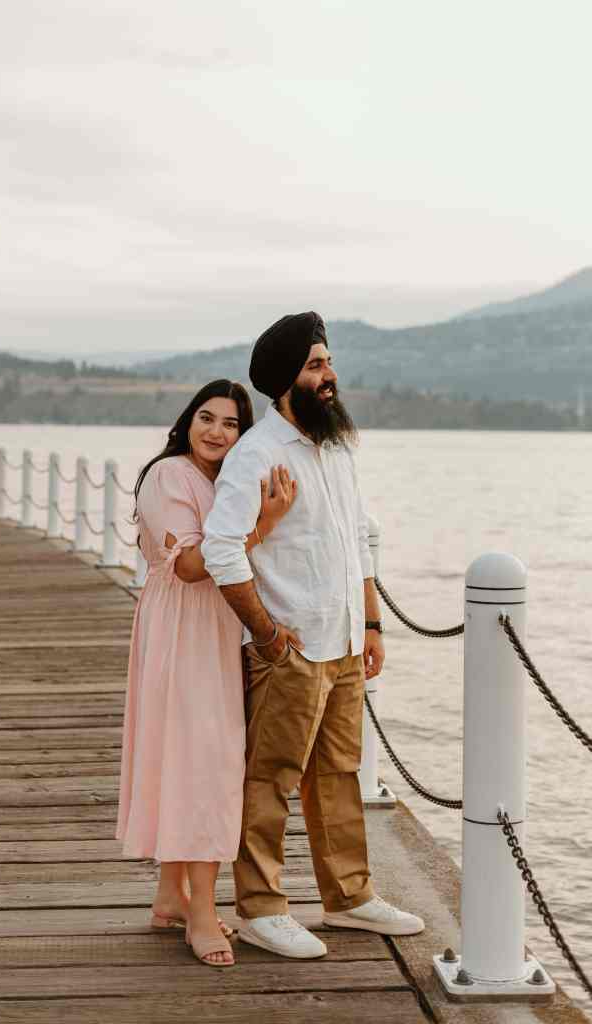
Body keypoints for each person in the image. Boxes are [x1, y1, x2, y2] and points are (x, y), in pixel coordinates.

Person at [201, 313, 425, 959]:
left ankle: (348, 898)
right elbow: (221, 549)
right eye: (314, 366)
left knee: (338, 773)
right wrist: (266, 636)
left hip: (345, 641)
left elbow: (360, 538)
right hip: (290, 648)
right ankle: (260, 908)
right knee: (269, 777)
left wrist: (373, 623)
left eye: (327, 362)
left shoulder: (337, 446)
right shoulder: (257, 454)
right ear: (284, 381)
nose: (329, 376)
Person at [116, 379, 297, 967]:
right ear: (187, 422)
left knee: (190, 756)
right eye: (207, 418)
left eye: (231, 424)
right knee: (207, 762)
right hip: (184, 627)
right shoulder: (170, 475)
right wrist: (263, 523)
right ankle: (201, 913)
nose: (217, 432)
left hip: (209, 628)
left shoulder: (221, 481)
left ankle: (170, 894)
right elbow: (194, 566)